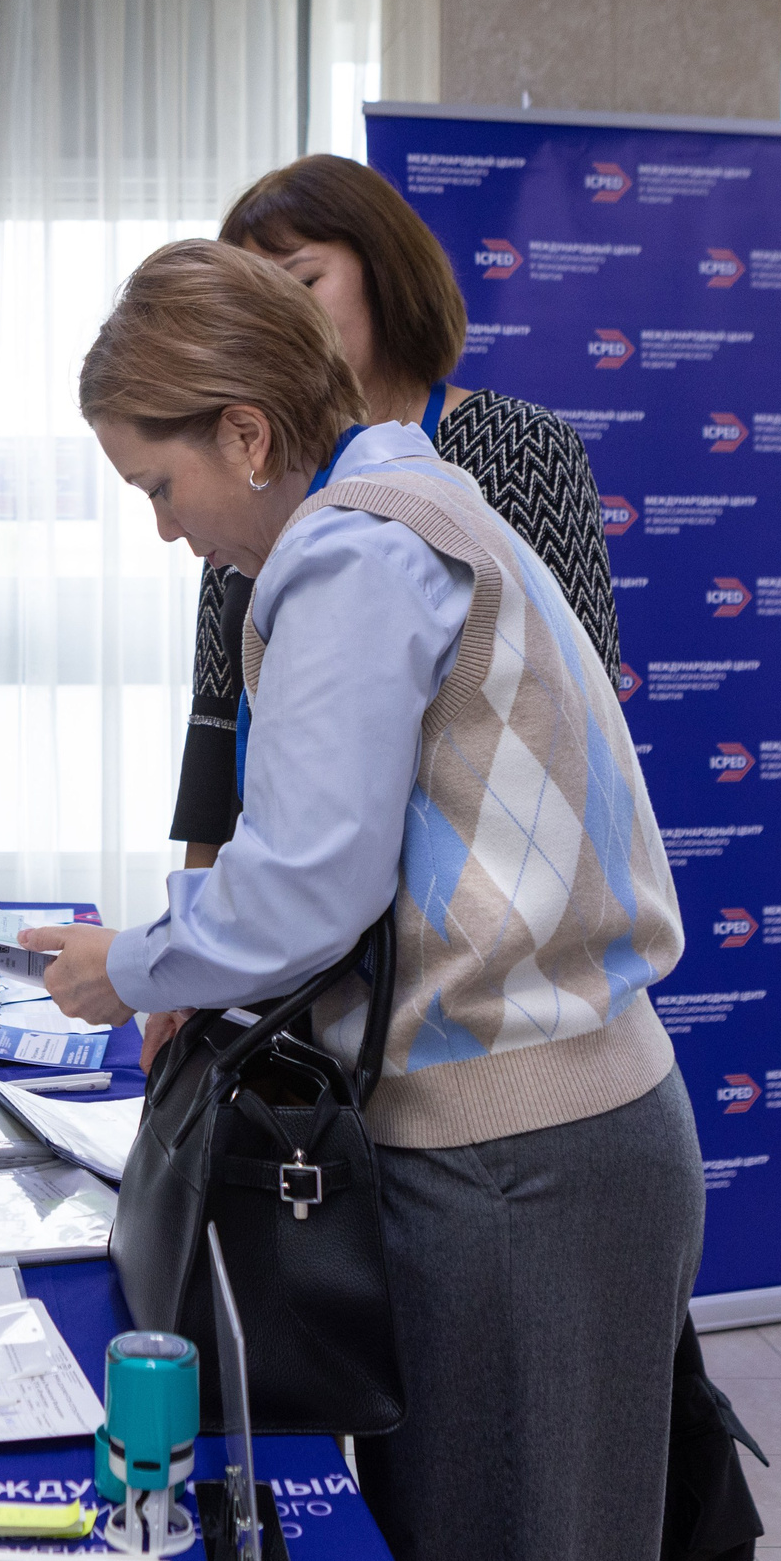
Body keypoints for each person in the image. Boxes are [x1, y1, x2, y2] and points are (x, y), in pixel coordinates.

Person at [32, 240, 705, 1561]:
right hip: (549, 1133)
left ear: (246, 430)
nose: (165, 529)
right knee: (496, 1555)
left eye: (161, 487)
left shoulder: (351, 555)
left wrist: (130, 966)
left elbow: (301, 890)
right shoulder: (416, 499)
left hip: (520, 1154)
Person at [167, 156, 621, 987]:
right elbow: (217, 727)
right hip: (295, 958)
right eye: (252, 304)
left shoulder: (521, 449)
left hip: (481, 960)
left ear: (386, 274)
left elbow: (575, 715)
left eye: (302, 283)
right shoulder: (254, 462)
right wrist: (190, 963)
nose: (279, 324)